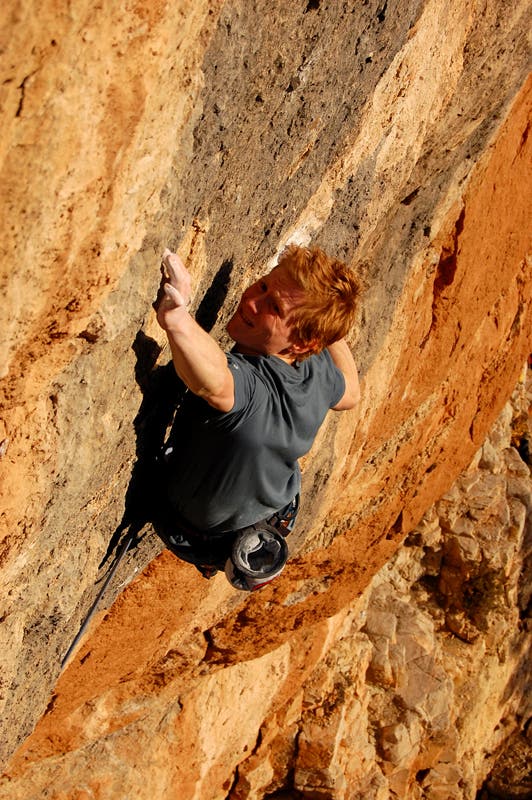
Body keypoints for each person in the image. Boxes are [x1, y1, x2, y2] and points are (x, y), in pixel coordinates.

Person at [154, 244, 362, 589]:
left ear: (301, 344)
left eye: (274, 308)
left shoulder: (252, 390)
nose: (252, 301)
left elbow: (215, 383)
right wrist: (328, 328)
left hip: (197, 536)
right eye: (263, 285)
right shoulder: (316, 369)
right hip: (278, 509)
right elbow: (351, 394)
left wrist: (177, 319)